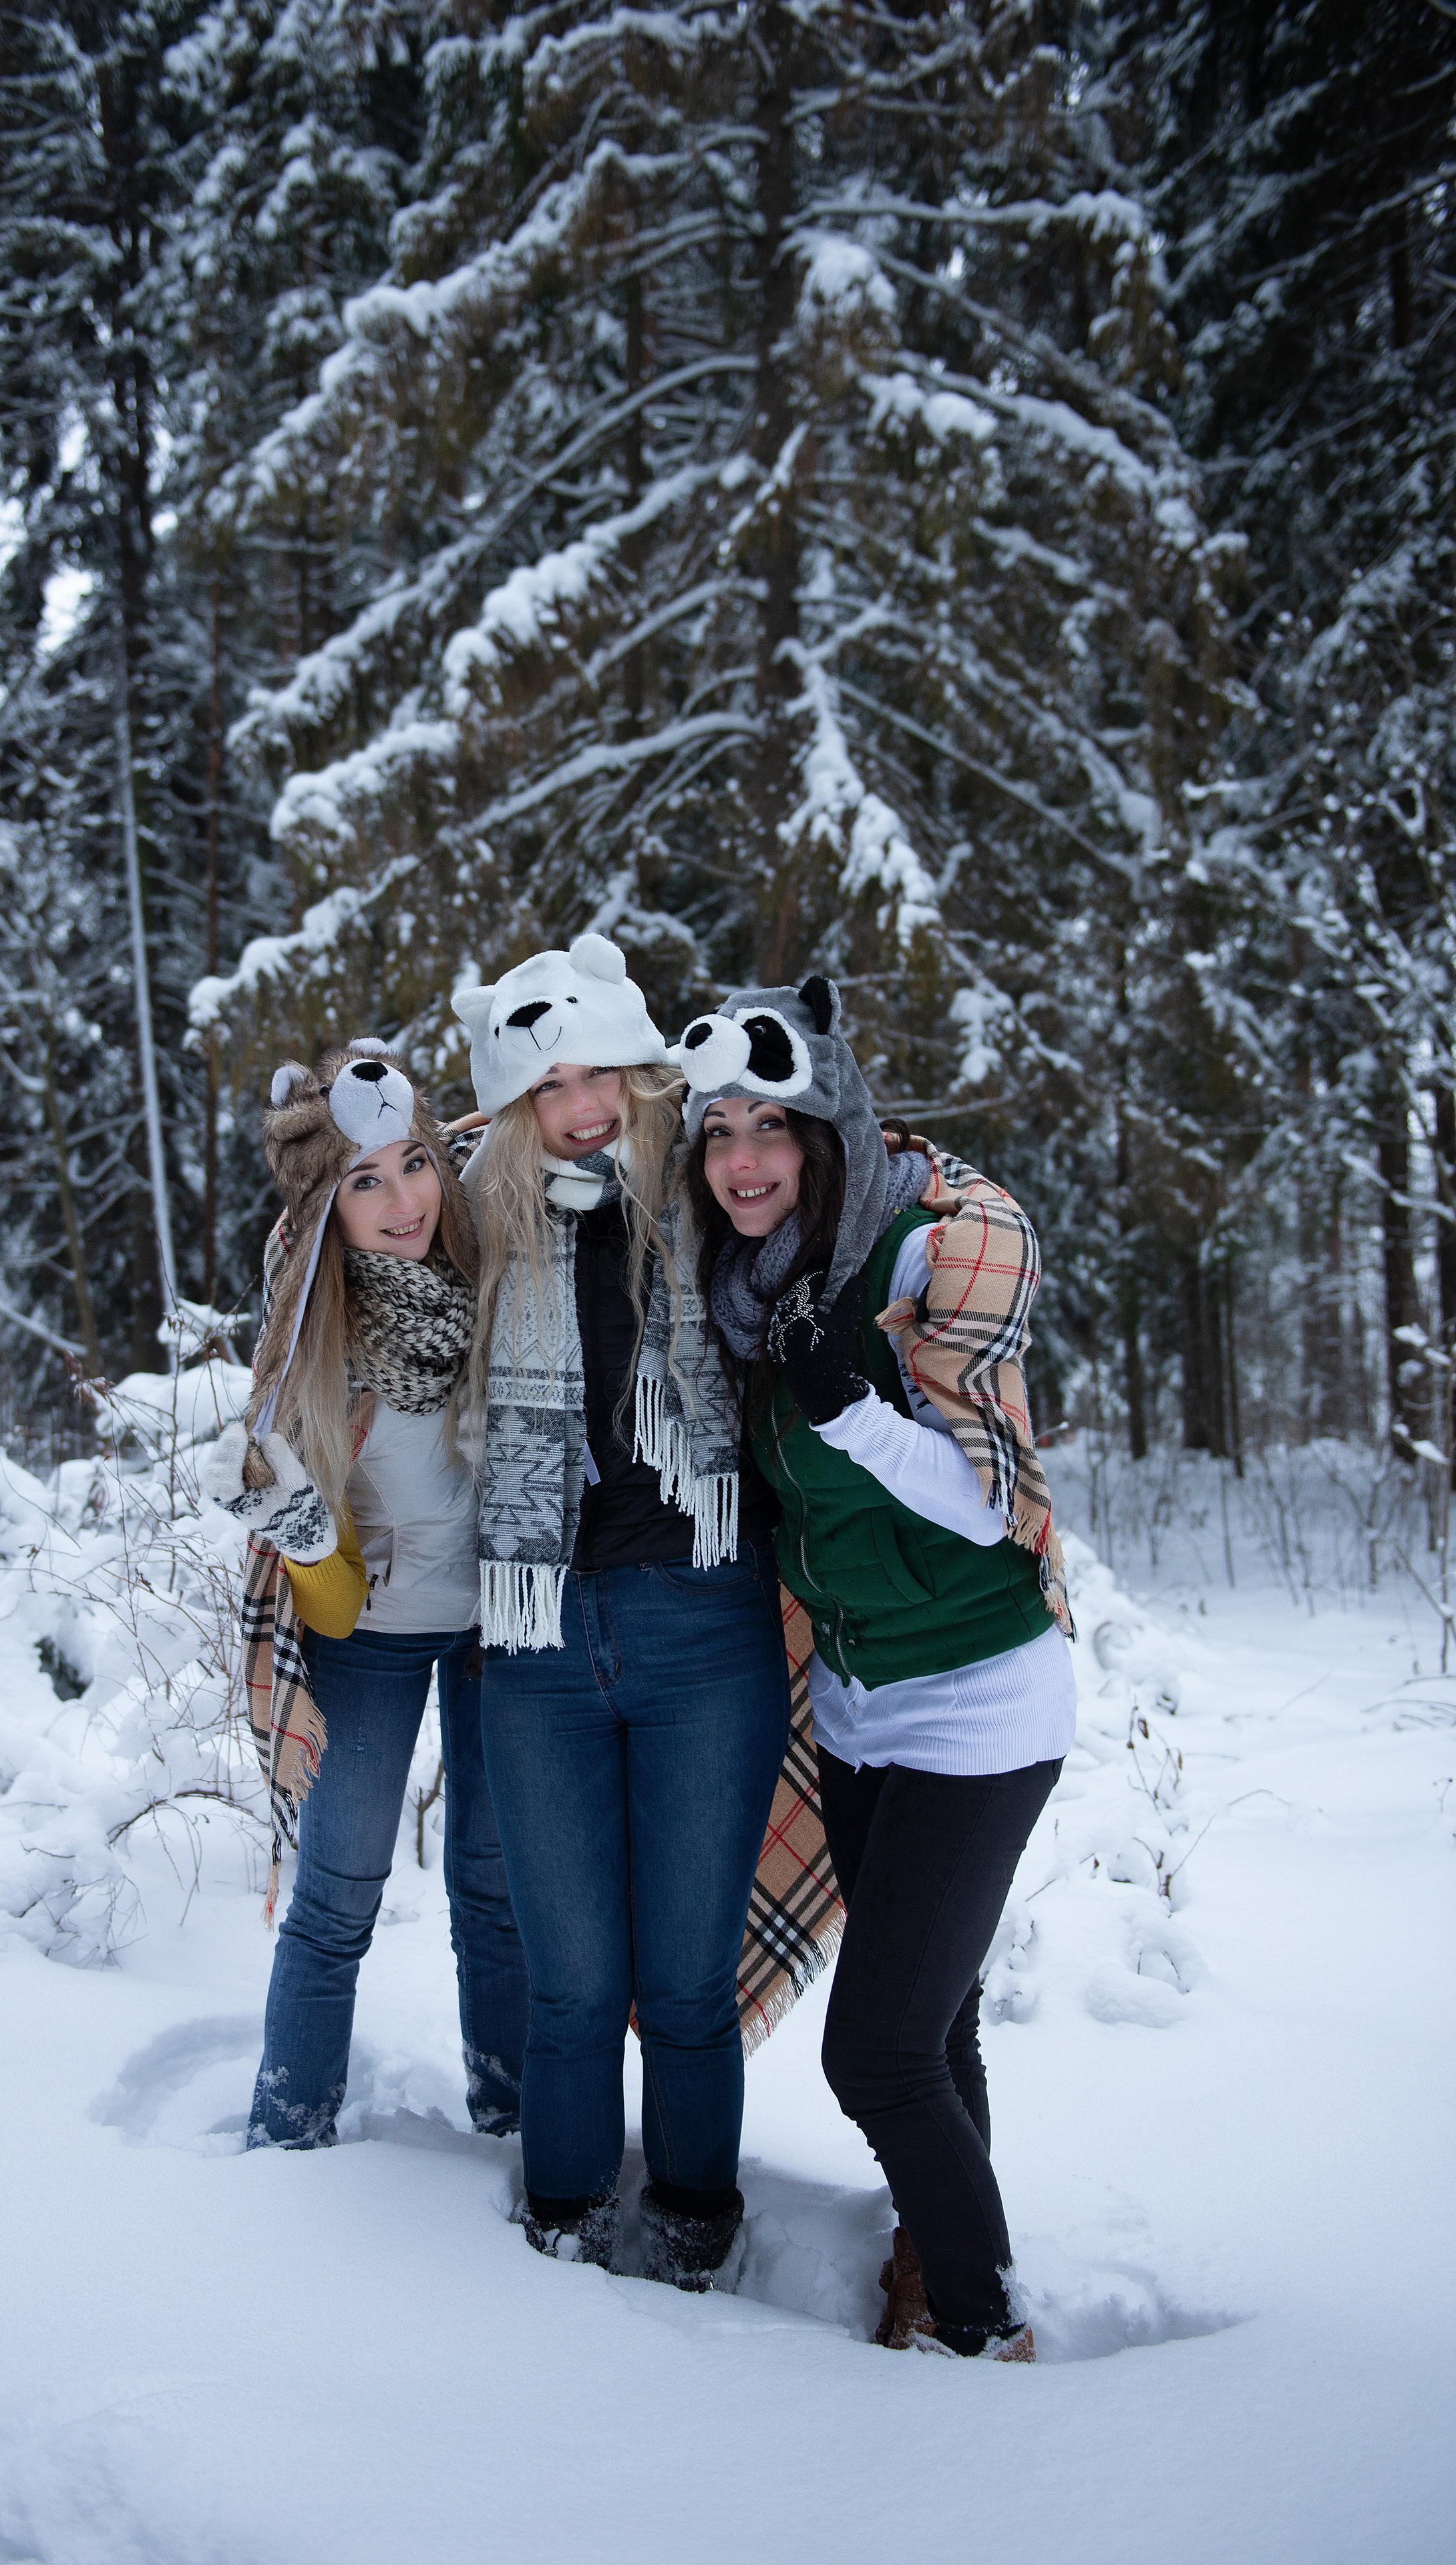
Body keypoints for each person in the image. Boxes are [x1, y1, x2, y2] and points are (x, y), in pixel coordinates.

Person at [676, 975, 1075, 2361]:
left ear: (823, 1131)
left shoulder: (913, 1257)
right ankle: (935, 2250)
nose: (741, 1159)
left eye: (769, 1129)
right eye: (716, 1128)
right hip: (854, 1710)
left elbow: (989, 1505)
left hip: (978, 1697)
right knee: (938, 2024)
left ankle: (978, 2321)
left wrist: (846, 1401)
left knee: (874, 2055)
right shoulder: (735, 1289)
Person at [450, 935, 791, 2289]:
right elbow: (370, 1254)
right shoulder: (482, 1224)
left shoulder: (707, 1193)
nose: (580, 1106)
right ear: (512, 1104)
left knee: (690, 1991)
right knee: (574, 1990)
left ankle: (698, 2236)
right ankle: (561, 2241)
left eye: (597, 1073)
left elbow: (820, 1149)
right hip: (534, 1641)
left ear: (641, 1069)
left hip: (701, 1628)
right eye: (545, 1086)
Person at [203, 1041, 528, 2151]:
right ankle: (288, 2134)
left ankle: (518, 2128)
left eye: (416, 1165)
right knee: (338, 1900)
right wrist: (299, 1536)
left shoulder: (501, 1285)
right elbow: (331, 1612)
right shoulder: (315, 1349)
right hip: (373, 1640)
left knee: (498, 1900)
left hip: (501, 1641)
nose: (404, 1202)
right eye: (365, 1180)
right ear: (325, 1207)